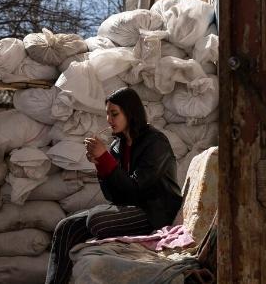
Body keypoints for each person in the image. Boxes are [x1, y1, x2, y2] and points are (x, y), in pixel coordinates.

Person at [45, 87, 183, 284]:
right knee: (65, 226)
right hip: (131, 208)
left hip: (155, 211)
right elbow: (114, 196)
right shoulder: (117, 146)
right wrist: (100, 164)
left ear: (130, 112)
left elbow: (136, 189)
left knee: (97, 220)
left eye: (114, 113)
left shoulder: (155, 142)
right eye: (107, 114)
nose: (109, 119)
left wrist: (105, 160)